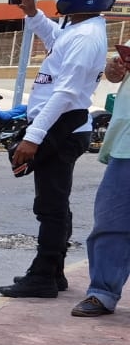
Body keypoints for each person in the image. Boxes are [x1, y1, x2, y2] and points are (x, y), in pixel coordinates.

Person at [0, 0, 122, 299]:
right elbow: (56, 42)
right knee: (55, 202)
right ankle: (53, 273)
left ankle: (42, 276)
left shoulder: (86, 37)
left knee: (50, 205)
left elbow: (66, 93)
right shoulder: (78, 29)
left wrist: (34, 137)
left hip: (63, 125)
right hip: (62, 124)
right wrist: (32, 14)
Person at [72, 44, 130, 316]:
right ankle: (102, 293)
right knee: (110, 221)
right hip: (125, 144)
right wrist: (114, 67)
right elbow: (114, 74)